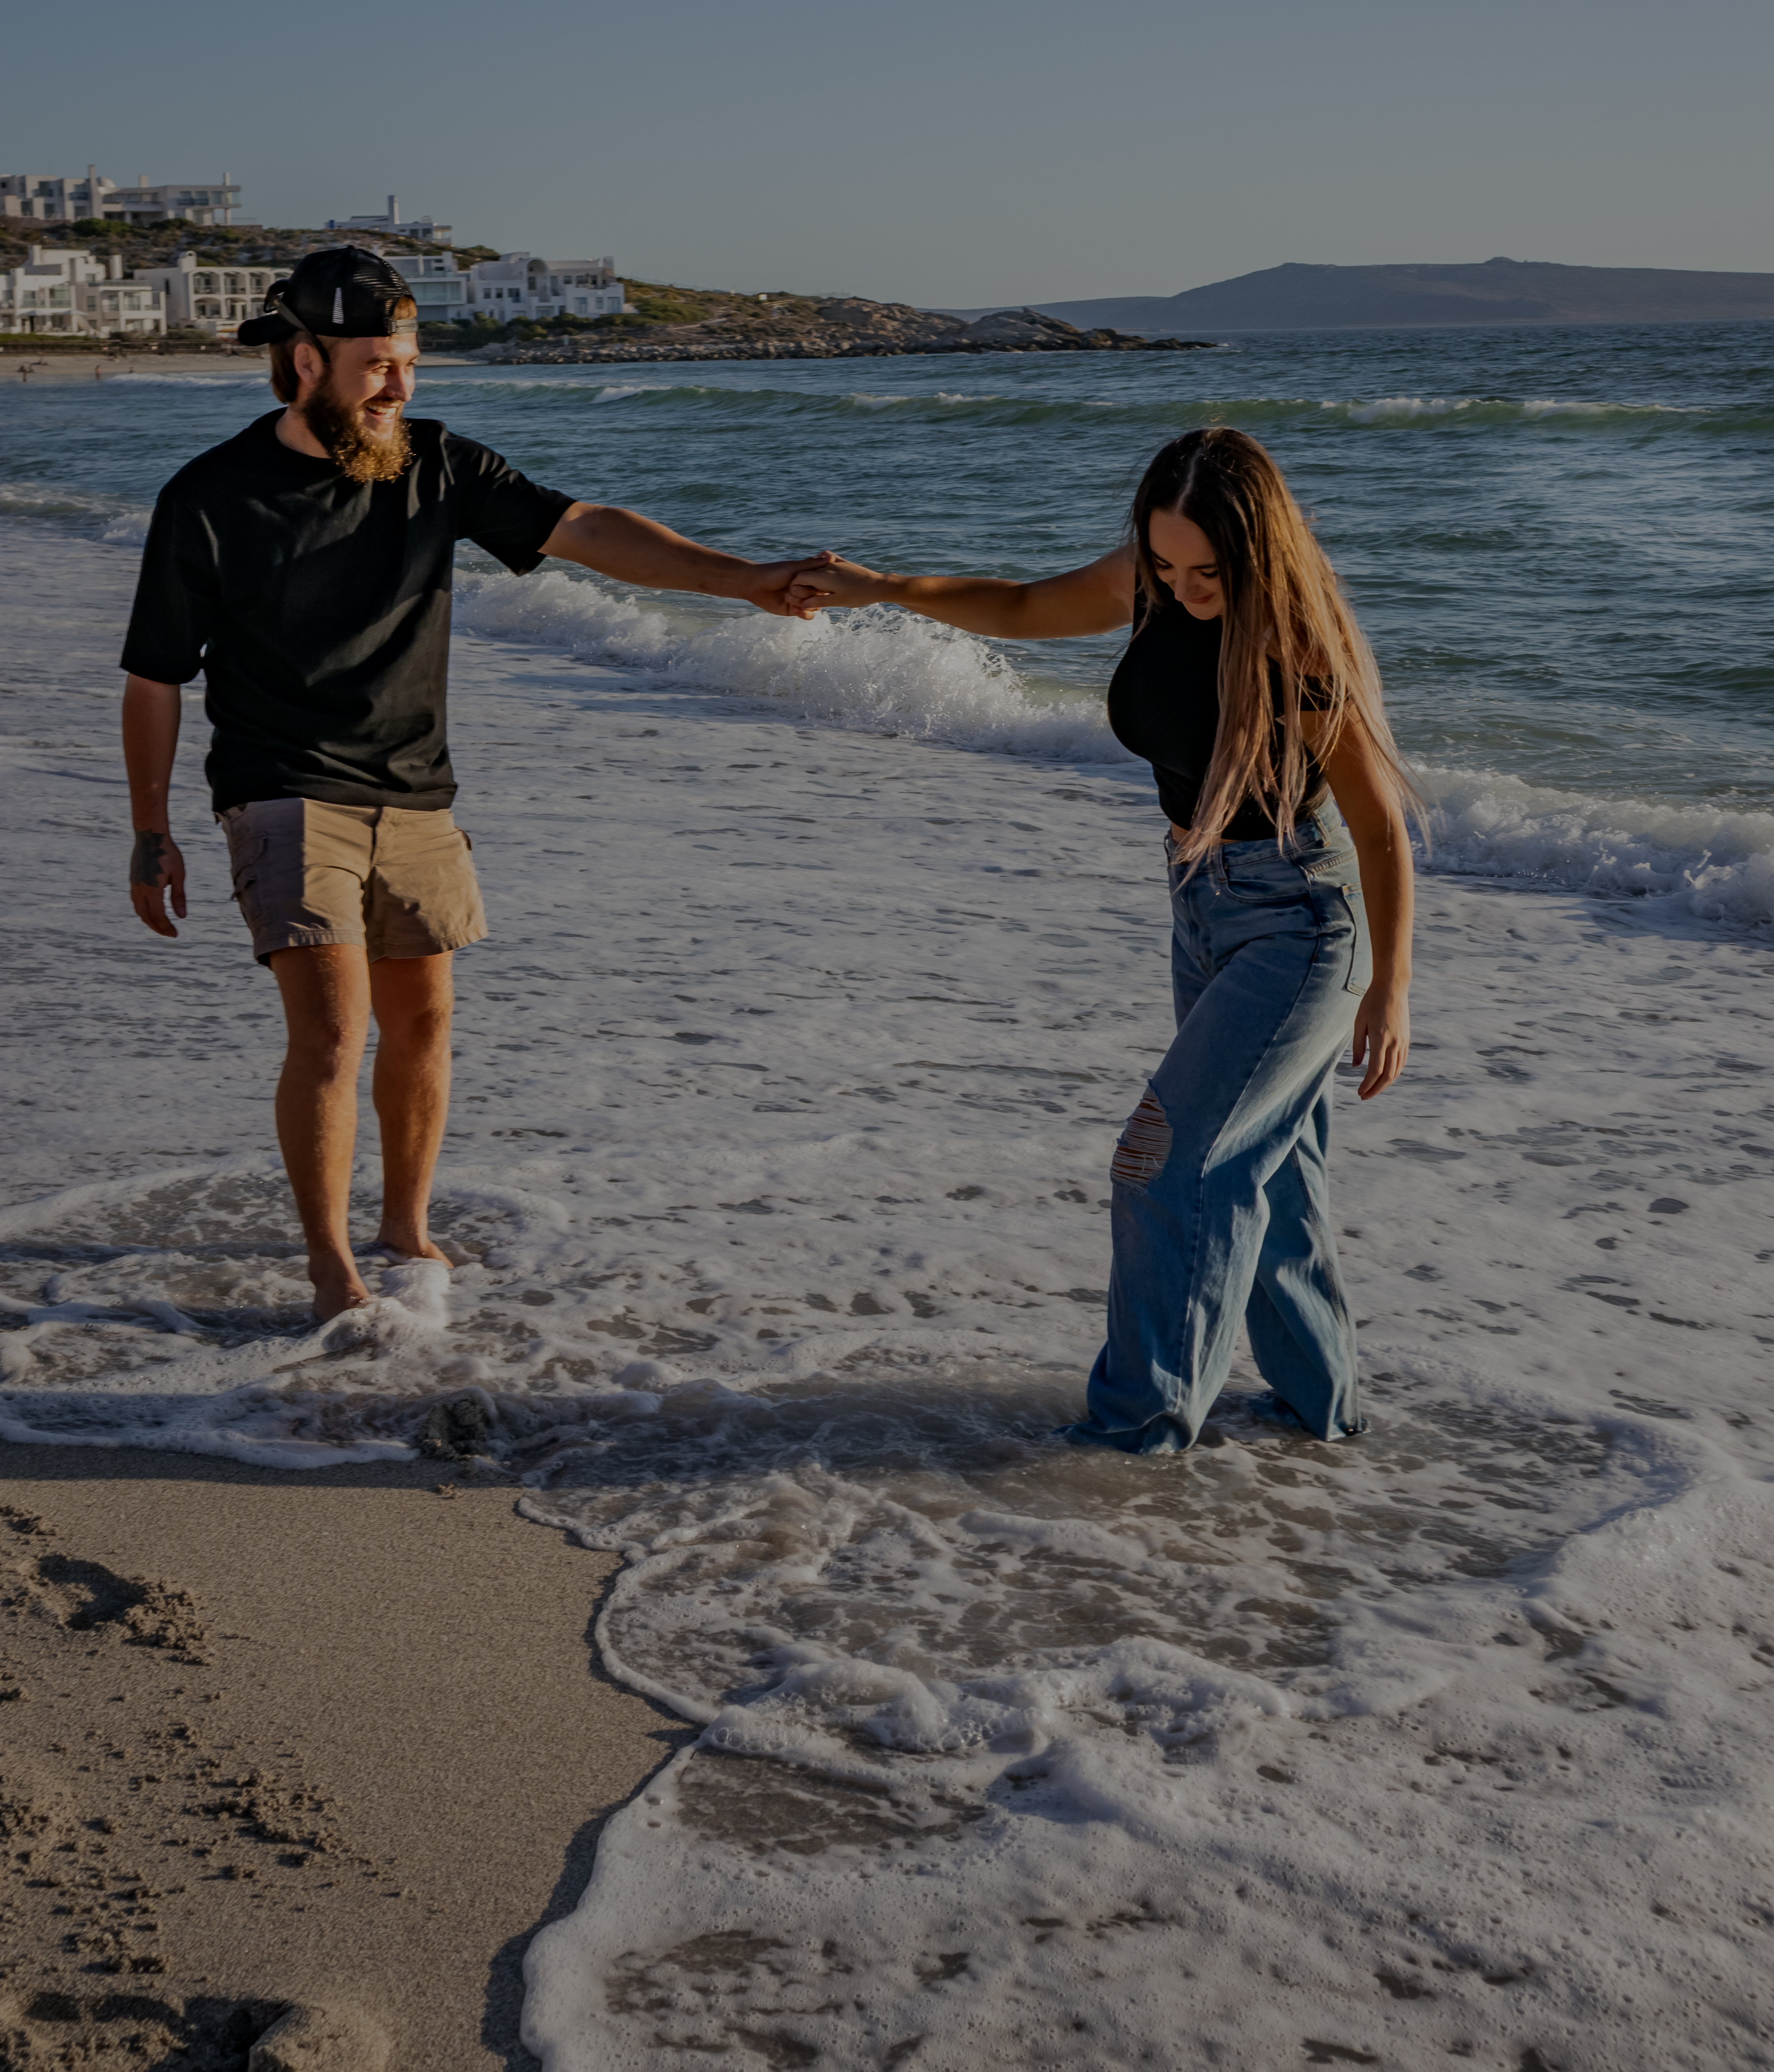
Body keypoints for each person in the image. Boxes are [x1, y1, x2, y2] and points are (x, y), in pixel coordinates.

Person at [121, 245, 830, 1324]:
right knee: (331, 1030)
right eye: (377, 366)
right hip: (280, 789)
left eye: (409, 363)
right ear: (305, 360)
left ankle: (404, 1227)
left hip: (415, 793)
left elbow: (585, 529)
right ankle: (330, 1270)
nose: (400, 385)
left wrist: (741, 579)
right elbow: (156, 678)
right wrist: (149, 832)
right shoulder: (211, 497)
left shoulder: (436, 465)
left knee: (425, 1022)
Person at [789, 426, 1417, 1453]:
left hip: (1297, 924)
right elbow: (1027, 606)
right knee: (1273, 1172)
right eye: (1166, 565)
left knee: (1164, 1165)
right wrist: (882, 587)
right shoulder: (1147, 583)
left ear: (1256, 553)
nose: (1183, 587)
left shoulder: (1298, 647)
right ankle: (1322, 1417)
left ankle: (1133, 1438)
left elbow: (1381, 826)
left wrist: (1390, 989)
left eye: (1209, 571)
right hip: (1202, 907)